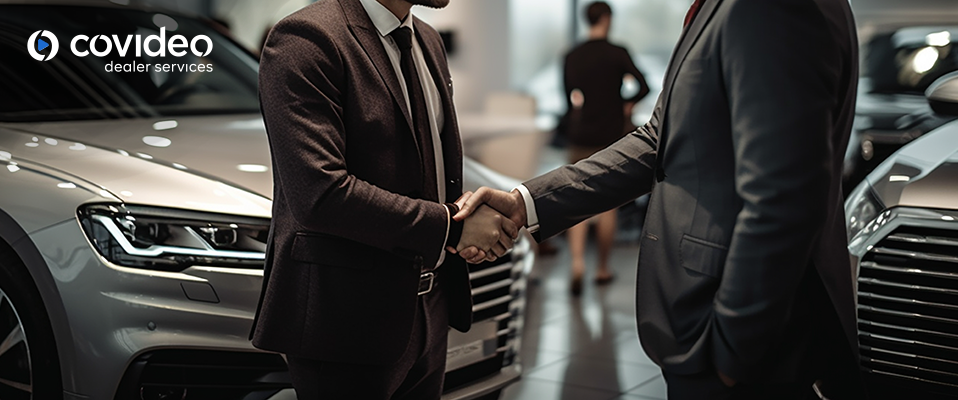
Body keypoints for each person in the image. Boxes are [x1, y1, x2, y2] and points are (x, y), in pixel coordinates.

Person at [455, 0, 864, 398]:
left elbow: (784, 198)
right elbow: (659, 140)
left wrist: (733, 354)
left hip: (737, 339)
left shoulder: (769, 8)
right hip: (713, 330)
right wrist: (527, 203)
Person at [250, 0, 518, 398]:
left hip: (431, 305)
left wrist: (460, 216)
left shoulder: (426, 38)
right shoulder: (306, 38)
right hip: (347, 314)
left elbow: (421, 170)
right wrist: (450, 228)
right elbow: (320, 194)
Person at [563, 1, 650, 295]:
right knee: (607, 203)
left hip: (581, 134)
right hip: (611, 134)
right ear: (607, 19)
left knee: (576, 200)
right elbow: (644, 85)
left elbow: (568, 99)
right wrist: (628, 104)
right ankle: (601, 268)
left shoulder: (572, 55)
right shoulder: (617, 52)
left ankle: (576, 263)